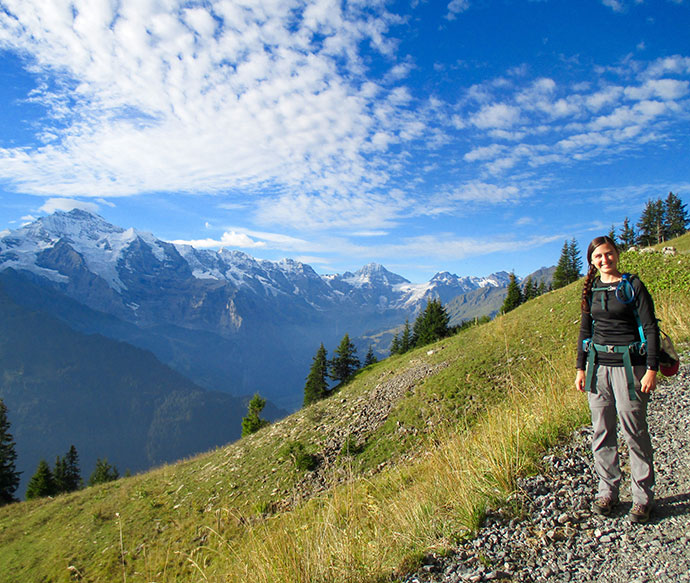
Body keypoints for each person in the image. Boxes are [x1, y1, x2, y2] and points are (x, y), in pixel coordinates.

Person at [574, 236, 659, 523]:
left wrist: (651, 369)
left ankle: (642, 497)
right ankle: (607, 491)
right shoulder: (591, 288)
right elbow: (585, 330)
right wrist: (580, 368)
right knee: (602, 432)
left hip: (630, 367)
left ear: (617, 254)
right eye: (598, 256)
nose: (604, 260)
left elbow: (649, 327)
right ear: (592, 261)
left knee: (634, 431)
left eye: (608, 254)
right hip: (598, 368)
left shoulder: (632, 285)